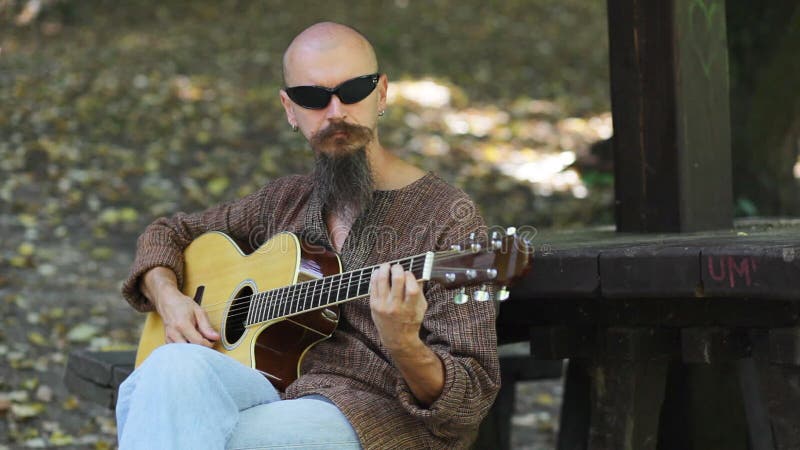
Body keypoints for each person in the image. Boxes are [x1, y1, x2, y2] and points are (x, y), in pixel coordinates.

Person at [116, 21, 500, 449]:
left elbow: (471, 399)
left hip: (379, 419)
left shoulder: (447, 216)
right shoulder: (282, 203)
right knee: (167, 370)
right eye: (314, 98)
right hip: (275, 392)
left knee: (164, 411)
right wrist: (169, 298)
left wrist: (404, 343)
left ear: (382, 93)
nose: (336, 112)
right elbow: (168, 232)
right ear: (289, 109)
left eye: (353, 90)